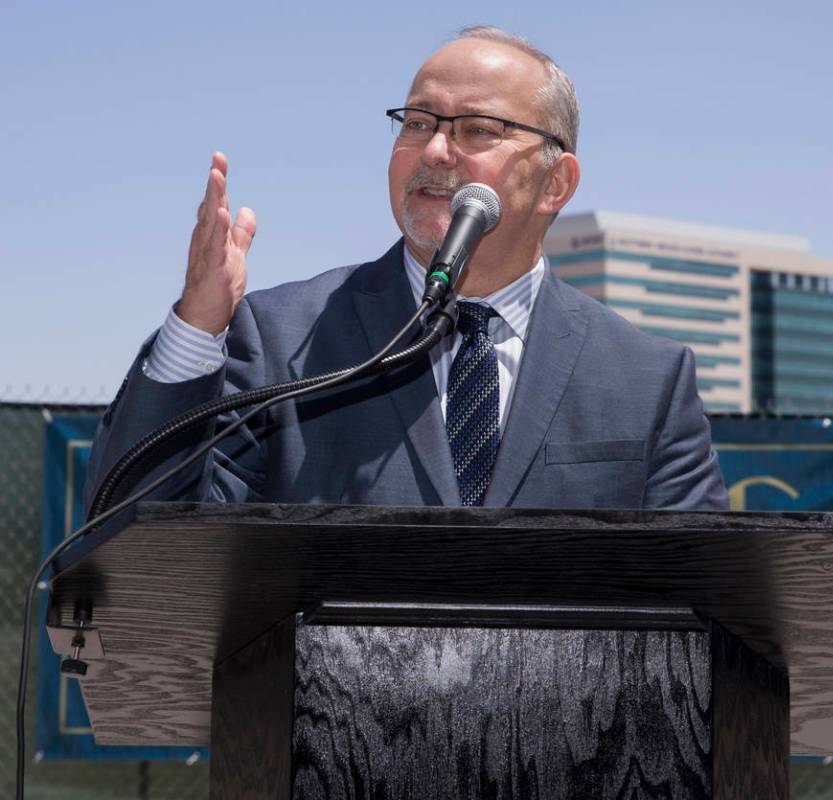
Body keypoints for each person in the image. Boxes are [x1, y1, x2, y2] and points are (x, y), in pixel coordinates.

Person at [84, 27, 727, 512]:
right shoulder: (282, 341)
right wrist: (197, 328)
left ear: (556, 183)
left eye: (478, 130)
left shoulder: (649, 382)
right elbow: (137, 533)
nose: (437, 150)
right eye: (417, 122)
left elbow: (707, 614)